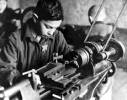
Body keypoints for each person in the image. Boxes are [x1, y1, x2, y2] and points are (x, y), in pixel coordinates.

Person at [0, 0, 73, 88]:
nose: (52, 32)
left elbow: (69, 57)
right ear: (35, 18)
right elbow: (5, 70)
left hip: (51, 88)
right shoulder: (15, 39)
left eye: (55, 28)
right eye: (48, 27)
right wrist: (20, 79)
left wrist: (75, 57)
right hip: (25, 90)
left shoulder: (57, 36)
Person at [87, 5, 115, 100]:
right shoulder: (110, 29)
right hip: (108, 69)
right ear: (104, 17)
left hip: (92, 69)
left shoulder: (87, 31)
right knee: (104, 95)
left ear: (91, 18)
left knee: (90, 93)